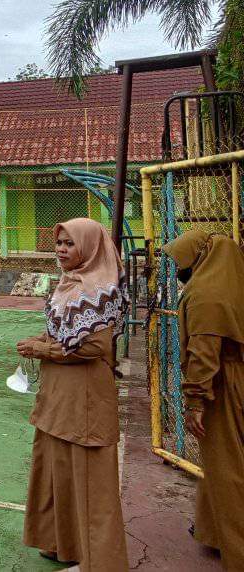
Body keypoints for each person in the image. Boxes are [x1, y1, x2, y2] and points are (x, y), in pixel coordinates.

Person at [16, 218, 128, 570]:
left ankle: (100, 562)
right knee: (58, 472)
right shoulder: (68, 284)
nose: (61, 250)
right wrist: (40, 342)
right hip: (58, 397)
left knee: (90, 482)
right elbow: (62, 334)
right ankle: (63, 544)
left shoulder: (98, 289)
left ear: (89, 247)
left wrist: (44, 351)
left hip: (84, 399)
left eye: (69, 244)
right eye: (59, 243)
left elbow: (92, 347)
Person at [162, 230, 244, 569]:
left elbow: (204, 354)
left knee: (228, 469)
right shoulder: (234, 281)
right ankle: (212, 533)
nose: (179, 270)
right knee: (222, 464)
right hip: (237, 375)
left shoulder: (207, 294)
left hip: (221, 385)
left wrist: (195, 401)